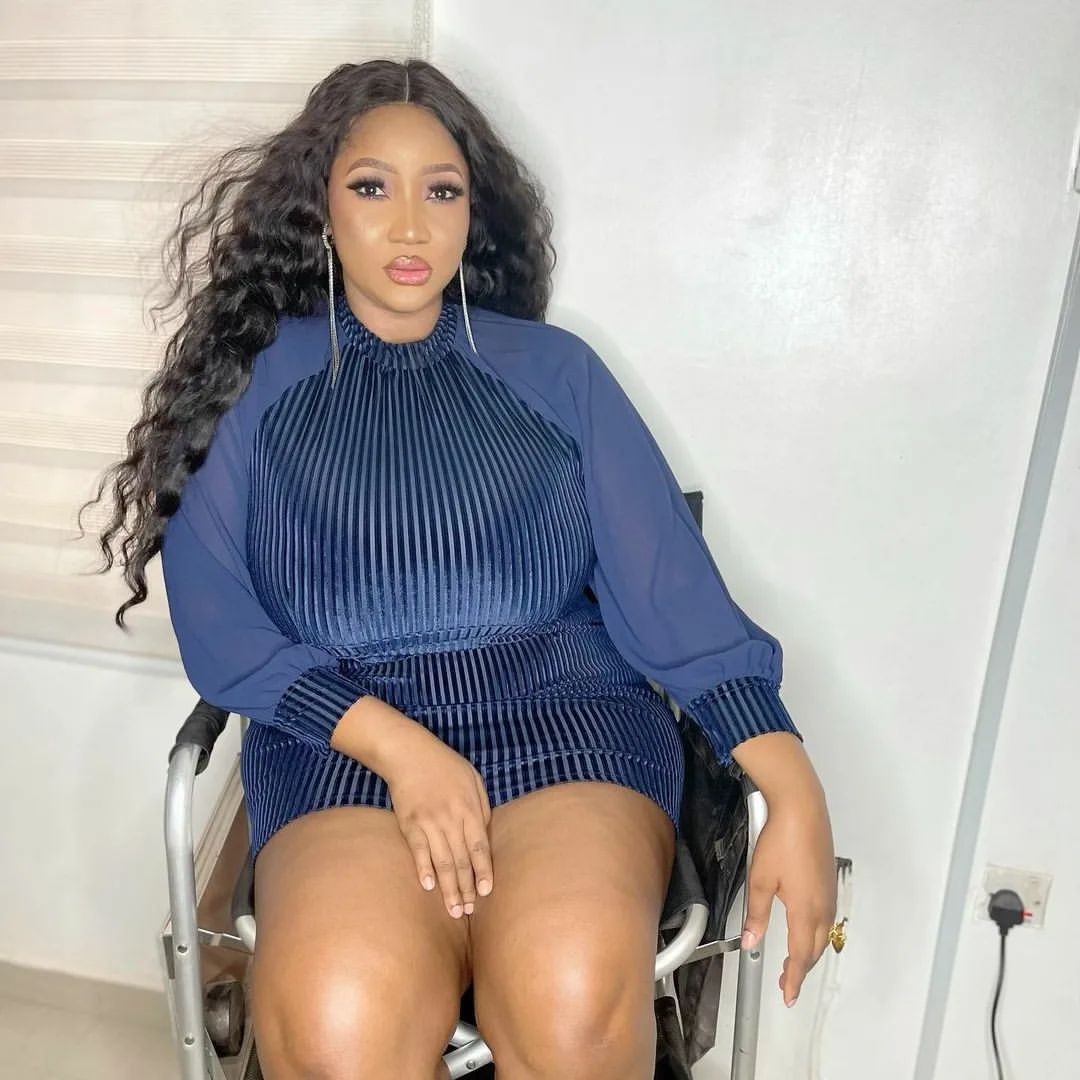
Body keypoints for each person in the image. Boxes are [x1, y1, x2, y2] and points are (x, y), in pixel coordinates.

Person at [85, 58, 837, 1080]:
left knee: (573, 997)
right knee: (338, 1021)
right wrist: (404, 751)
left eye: (440, 191)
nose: (409, 226)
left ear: (473, 213)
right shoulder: (250, 387)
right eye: (370, 187)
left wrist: (793, 788)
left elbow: (673, 599)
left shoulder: (556, 372)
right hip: (343, 745)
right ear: (318, 209)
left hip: (569, 724)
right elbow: (223, 632)